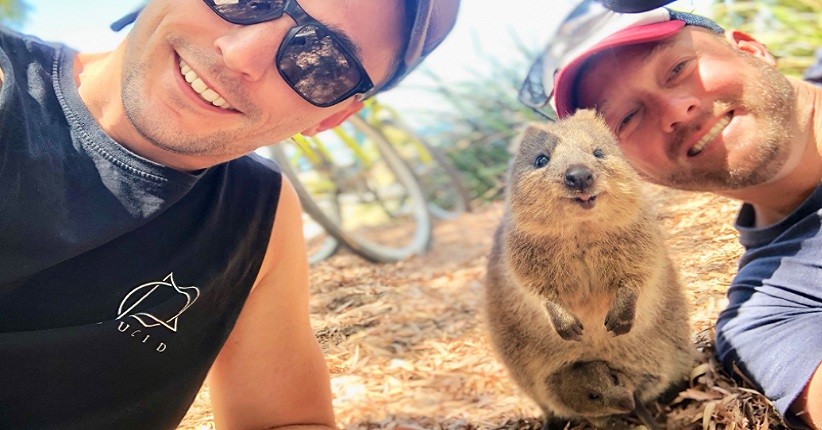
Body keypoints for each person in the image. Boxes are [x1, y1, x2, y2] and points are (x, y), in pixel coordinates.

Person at [0, 0, 459, 428]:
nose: (241, 55)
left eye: (324, 62)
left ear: (330, 119)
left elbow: (285, 420)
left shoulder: (257, 213)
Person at [520, 1, 822, 429]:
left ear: (751, 48)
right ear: (636, 172)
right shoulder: (775, 312)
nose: (676, 110)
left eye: (678, 68)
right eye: (627, 118)